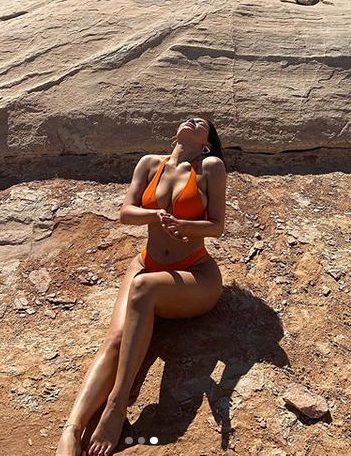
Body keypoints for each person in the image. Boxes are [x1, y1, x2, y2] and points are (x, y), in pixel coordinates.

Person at [56, 116, 226, 456]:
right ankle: (72, 429)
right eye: (189, 118)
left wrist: (184, 225)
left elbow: (217, 226)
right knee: (115, 340)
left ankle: (116, 406)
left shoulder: (210, 166)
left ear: (206, 142)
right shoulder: (150, 164)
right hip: (147, 264)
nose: (194, 120)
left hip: (195, 274)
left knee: (143, 288)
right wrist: (156, 216)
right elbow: (126, 213)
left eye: (202, 124)